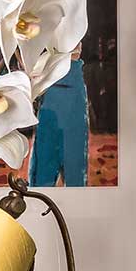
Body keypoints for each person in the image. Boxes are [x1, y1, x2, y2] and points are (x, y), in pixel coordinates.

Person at [30, 45, 89, 188]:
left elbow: (74, 50)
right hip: (52, 84)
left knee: (74, 164)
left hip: (69, 79)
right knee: (45, 166)